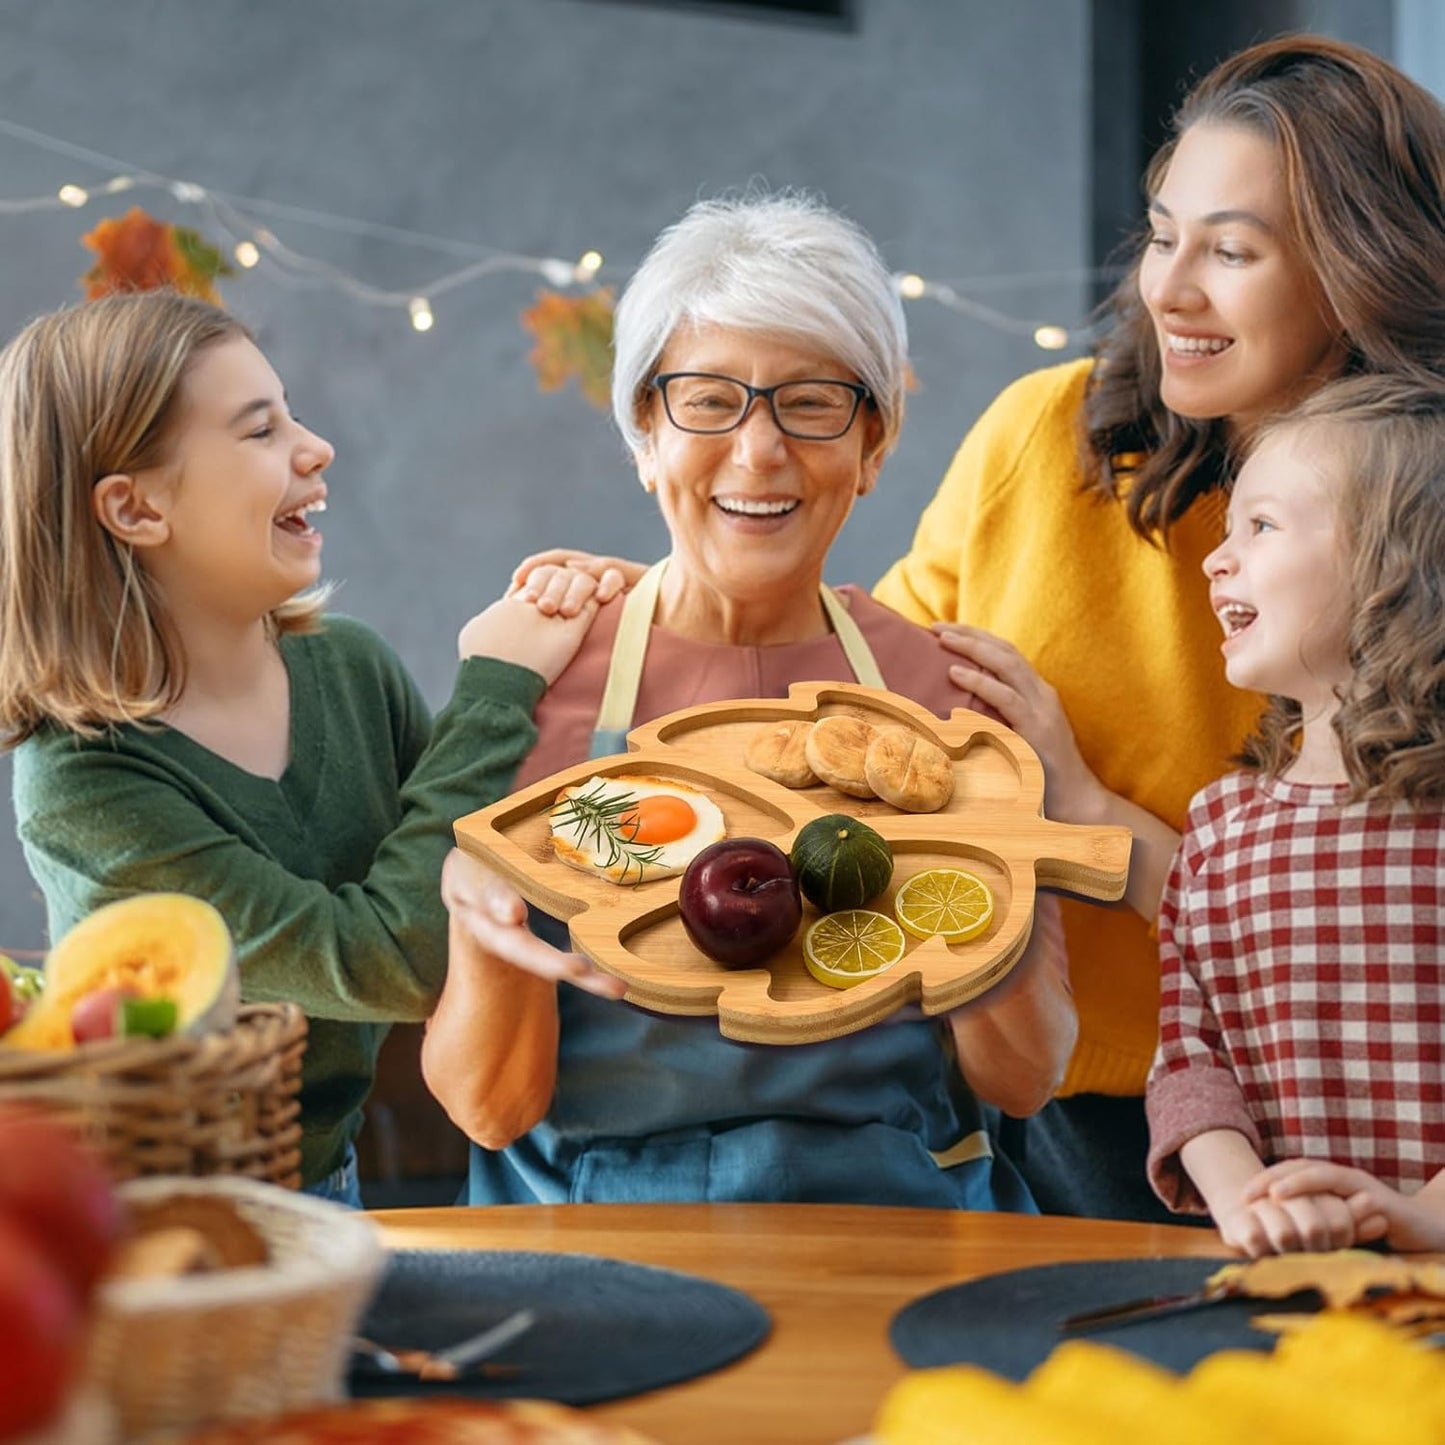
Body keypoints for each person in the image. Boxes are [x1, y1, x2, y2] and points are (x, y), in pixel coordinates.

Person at [511, 36, 1445, 1221]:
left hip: (1359, 1137)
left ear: (1356, 270)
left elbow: (1368, 909)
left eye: (1231, 250)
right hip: (1063, 1120)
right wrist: (666, 595)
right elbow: (846, 690)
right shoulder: (1044, 434)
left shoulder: (1420, 535)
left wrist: (1079, 811)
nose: (1169, 289)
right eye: (1163, 235)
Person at [424, 191, 1078, 1210]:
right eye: (706, 398)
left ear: (873, 445)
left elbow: (1022, 1075)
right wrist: (484, 909)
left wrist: (978, 870)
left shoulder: (940, 702)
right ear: (644, 430)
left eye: (811, 401)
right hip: (595, 1233)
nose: (758, 450)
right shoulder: (538, 682)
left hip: (893, 1217)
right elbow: (488, 1104)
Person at [0, 291, 598, 1203]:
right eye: (259, 431)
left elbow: (477, 851)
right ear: (136, 507)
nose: (315, 448)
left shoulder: (349, 666)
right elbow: (396, 957)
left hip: (329, 1181)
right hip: (154, 1228)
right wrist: (494, 687)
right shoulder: (83, 784)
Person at [1145, 374, 1445, 1256]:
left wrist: (1425, 1215)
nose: (1215, 557)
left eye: (1261, 526)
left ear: (1395, 561)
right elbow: (1189, 1064)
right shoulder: (1218, 827)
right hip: (1282, 1275)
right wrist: (1250, 1205)